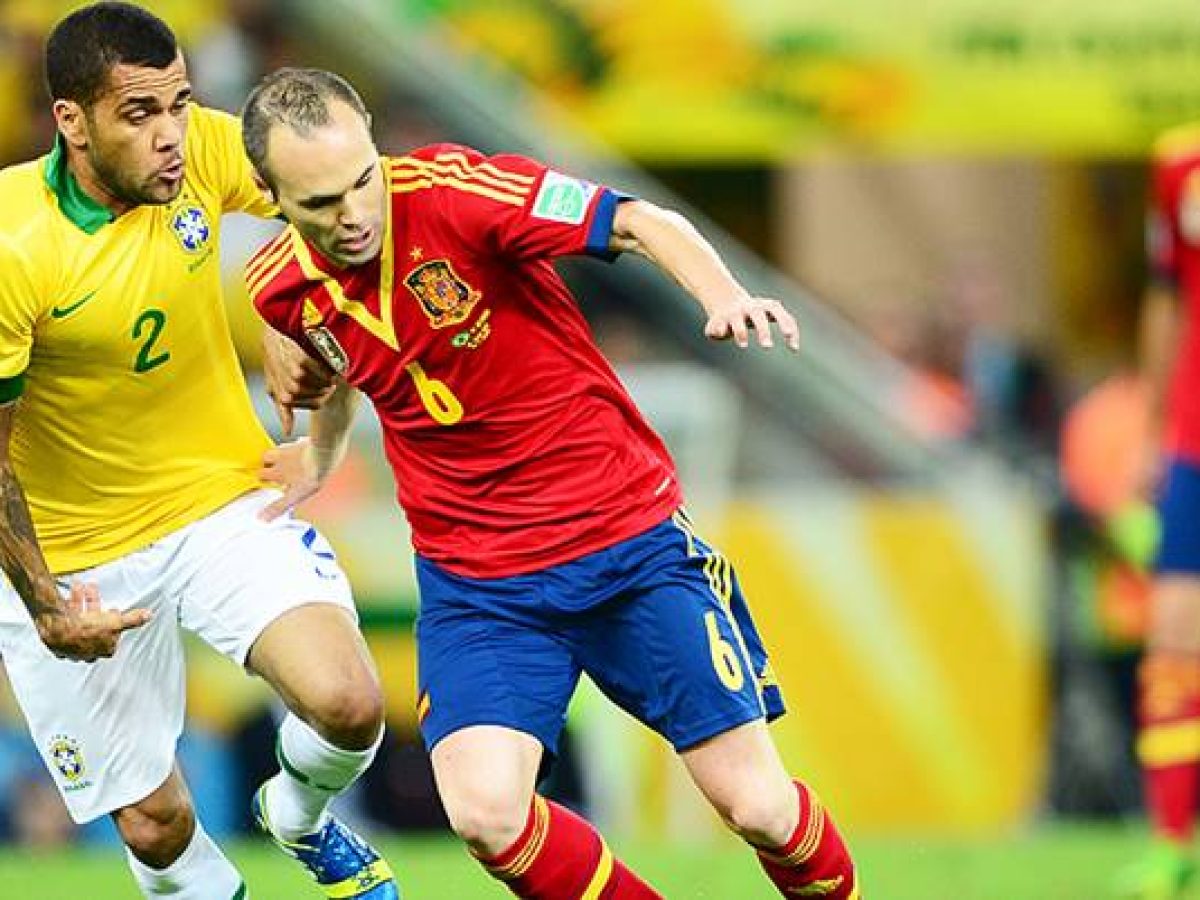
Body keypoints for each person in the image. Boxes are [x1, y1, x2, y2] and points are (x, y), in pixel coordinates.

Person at [241, 67, 860, 900]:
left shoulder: (458, 192)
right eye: (320, 203)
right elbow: (343, 359)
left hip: (627, 548)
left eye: (362, 182)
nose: (353, 215)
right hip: (479, 587)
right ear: (269, 194)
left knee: (758, 808)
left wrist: (725, 294)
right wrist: (321, 455)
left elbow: (638, 219)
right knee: (486, 811)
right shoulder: (277, 287)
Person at [0, 6, 398, 899]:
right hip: (75, 555)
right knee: (156, 821)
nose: (173, 136)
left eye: (180, 103)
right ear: (72, 120)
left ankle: (294, 814)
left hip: (220, 500)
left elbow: (345, 191)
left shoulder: (209, 151)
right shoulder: (12, 246)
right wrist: (46, 604)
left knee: (349, 704)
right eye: (141, 114)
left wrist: (286, 299)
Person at [1120, 122, 1200, 899]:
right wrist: (1150, 431)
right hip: (1195, 447)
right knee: (1175, 641)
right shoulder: (1180, 163)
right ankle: (1171, 848)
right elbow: (1166, 298)